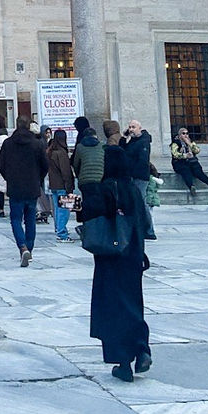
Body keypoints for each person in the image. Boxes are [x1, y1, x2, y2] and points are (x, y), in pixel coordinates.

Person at [84, 143, 152, 382]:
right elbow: (143, 223)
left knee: (113, 307)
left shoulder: (103, 189)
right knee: (133, 302)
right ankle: (142, 347)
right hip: (133, 255)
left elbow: (93, 221)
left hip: (109, 258)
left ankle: (123, 362)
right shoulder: (132, 189)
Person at [0, 116, 49, 266]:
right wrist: (38, 178)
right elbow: (45, 165)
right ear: (29, 126)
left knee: (15, 219)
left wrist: (9, 177)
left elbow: (1, 164)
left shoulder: (8, 143)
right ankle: (29, 249)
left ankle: (22, 246)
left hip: (15, 186)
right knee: (30, 219)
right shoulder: (37, 144)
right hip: (32, 186)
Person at [169, 127, 208, 197]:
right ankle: (191, 186)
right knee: (186, 171)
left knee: (198, 171)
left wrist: (190, 144)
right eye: (183, 133)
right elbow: (175, 154)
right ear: (179, 135)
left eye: (187, 133)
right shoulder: (175, 143)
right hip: (180, 162)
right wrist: (185, 156)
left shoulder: (191, 142)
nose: (186, 135)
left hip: (192, 161)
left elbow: (197, 151)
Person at [47, 128, 75, 242]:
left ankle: (59, 229)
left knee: (57, 209)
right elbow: (66, 172)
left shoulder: (50, 151)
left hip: (53, 184)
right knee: (64, 210)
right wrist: (70, 187)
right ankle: (62, 233)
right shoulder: (61, 153)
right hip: (62, 185)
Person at [71, 118, 105, 212]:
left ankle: (88, 224)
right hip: (99, 178)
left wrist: (79, 175)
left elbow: (76, 163)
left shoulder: (80, 146)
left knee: (86, 203)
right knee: (98, 203)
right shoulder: (101, 146)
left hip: (84, 179)